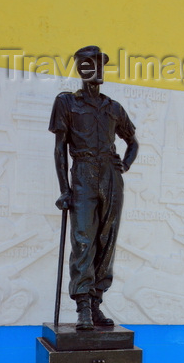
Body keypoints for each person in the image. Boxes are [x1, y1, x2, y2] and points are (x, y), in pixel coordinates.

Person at [49, 45, 139, 329]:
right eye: (89, 64)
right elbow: (59, 149)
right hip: (84, 174)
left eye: (100, 64)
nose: (95, 69)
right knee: (83, 239)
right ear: (80, 69)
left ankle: (97, 301)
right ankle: (82, 306)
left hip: (111, 178)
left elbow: (133, 141)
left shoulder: (113, 108)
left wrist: (124, 165)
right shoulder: (66, 102)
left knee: (106, 240)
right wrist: (64, 189)